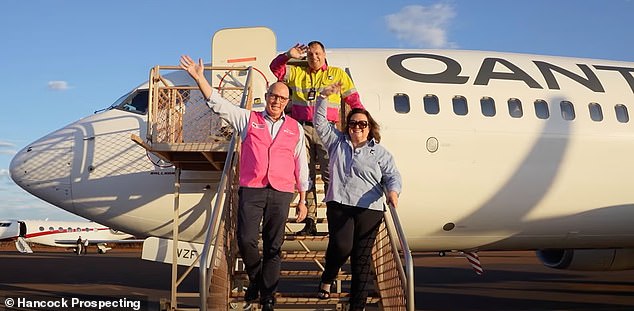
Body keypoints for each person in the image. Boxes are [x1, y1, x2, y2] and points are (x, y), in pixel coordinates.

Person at [180, 55, 309, 311]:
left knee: (274, 246)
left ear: (287, 102)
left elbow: (301, 164)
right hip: (252, 189)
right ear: (268, 95)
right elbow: (217, 104)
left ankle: (267, 296)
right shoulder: (248, 119)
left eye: (282, 98)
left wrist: (303, 200)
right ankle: (258, 281)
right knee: (246, 240)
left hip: (282, 192)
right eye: (273, 96)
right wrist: (199, 78)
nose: (276, 101)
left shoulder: (296, 128)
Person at [313, 83, 402, 311]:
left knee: (361, 261)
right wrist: (323, 97)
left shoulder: (380, 152)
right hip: (340, 204)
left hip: (369, 209)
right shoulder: (337, 143)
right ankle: (328, 277)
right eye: (353, 124)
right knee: (341, 246)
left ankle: (357, 307)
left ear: (369, 127)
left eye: (362, 124)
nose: (357, 128)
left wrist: (393, 192)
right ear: (348, 126)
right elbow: (320, 123)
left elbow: (392, 175)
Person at [270, 41, 365, 236]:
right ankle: (310, 220)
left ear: (324, 54)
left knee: (331, 174)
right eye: (311, 54)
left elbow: (353, 100)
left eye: (318, 54)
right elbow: (275, 68)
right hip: (301, 128)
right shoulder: (297, 72)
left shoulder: (337, 74)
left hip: (326, 130)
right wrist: (288, 55)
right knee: (306, 175)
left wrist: (362, 122)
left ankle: (335, 220)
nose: (314, 57)